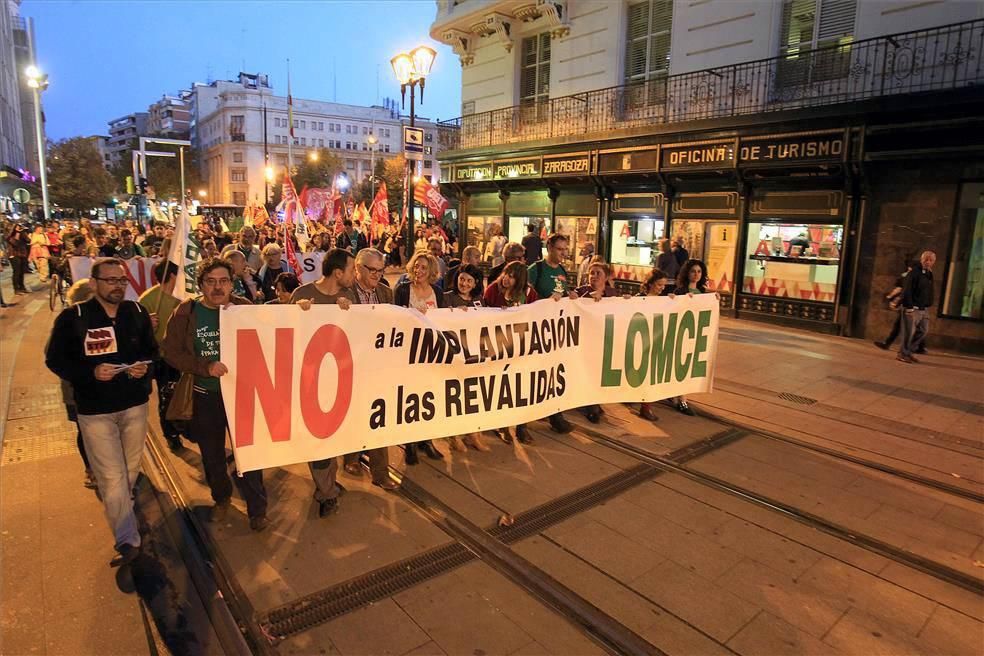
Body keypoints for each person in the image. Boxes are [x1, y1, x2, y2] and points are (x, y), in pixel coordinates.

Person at [45, 258, 158, 565]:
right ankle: (127, 538)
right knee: (111, 475)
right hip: (95, 411)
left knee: (130, 470)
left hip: (134, 405)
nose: (117, 286)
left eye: (121, 281)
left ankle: (124, 507)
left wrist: (143, 369)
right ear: (94, 284)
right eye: (110, 280)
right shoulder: (73, 318)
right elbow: (55, 360)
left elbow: (151, 351)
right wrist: (90, 373)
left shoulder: (136, 313)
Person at [163, 258, 269, 531]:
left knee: (250, 453)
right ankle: (221, 496)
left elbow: (272, 334)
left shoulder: (243, 308)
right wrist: (205, 367)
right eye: (211, 281)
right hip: (205, 396)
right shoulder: (186, 312)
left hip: (241, 395)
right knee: (212, 455)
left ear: (231, 283)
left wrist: (302, 310)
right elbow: (171, 352)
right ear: (200, 285)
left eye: (223, 281)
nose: (218, 287)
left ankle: (258, 509)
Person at [291, 249, 357, 514]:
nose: (355, 275)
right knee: (318, 442)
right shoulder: (302, 295)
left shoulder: (349, 298)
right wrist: (298, 314)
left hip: (340, 381)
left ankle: (328, 483)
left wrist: (350, 315)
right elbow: (285, 336)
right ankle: (326, 492)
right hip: (310, 383)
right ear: (338, 273)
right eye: (352, 270)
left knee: (334, 440)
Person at [333, 248, 403, 489]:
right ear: (357, 269)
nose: (376, 274)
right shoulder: (343, 293)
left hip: (378, 365)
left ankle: (380, 473)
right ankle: (351, 457)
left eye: (380, 270)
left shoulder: (385, 292)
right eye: (371, 269)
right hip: (350, 365)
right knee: (353, 415)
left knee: (378, 417)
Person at [393, 251, 447, 464]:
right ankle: (410, 444)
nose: (418, 271)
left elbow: (444, 318)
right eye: (416, 266)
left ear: (432, 271)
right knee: (410, 399)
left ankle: (426, 440)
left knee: (429, 398)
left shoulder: (438, 292)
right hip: (408, 352)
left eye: (424, 267)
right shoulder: (403, 290)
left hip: (431, 352)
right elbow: (395, 318)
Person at [482, 261, 538, 444]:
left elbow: (539, 312)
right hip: (498, 347)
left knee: (521, 387)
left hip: (520, 348)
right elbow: (479, 315)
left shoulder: (528, 293)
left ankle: (522, 427)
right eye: (506, 273)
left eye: (512, 276)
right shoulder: (492, 290)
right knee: (501, 387)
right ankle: (503, 425)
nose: (506, 278)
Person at [526, 233, 576, 433]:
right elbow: (525, 295)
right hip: (537, 330)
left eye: (565, 249)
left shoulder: (562, 270)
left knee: (553, 373)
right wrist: (545, 300)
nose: (563, 253)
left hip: (555, 332)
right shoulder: (536, 269)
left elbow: (563, 293)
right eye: (559, 249)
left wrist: (569, 296)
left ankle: (555, 414)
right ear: (549, 247)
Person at [138, 259, 184, 451]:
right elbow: (137, 334)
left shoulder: (181, 297)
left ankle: (182, 428)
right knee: (168, 397)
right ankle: (171, 434)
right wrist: (147, 325)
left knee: (182, 395)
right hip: (163, 359)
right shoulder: (148, 300)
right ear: (173, 275)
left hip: (182, 356)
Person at [61, 279, 97, 488]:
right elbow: (55, 357)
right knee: (86, 433)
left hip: (106, 391)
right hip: (78, 394)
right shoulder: (67, 324)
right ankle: (91, 469)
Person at [672, 259, 709, 415]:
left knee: (688, 367)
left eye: (699, 271)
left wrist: (715, 300)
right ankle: (682, 400)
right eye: (693, 271)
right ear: (687, 273)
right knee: (681, 366)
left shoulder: (704, 292)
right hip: (682, 334)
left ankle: (677, 395)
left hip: (696, 335)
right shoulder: (680, 291)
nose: (696, 275)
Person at [637, 268, 672, 422]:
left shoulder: (663, 301)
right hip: (639, 343)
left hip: (654, 343)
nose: (662, 288)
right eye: (659, 285)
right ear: (650, 283)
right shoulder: (640, 298)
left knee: (649, 376)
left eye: (664, 286)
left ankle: (646, 407)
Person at [897, 250, 937, 364]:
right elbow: (907, 290)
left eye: (931, 260)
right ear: (921, 260)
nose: (928, 262)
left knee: (923, 331)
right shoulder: (914, 272)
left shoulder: (929, 273)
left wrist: (928, 304)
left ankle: (908, 352)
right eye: (926, 259)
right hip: (912, 307)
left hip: (923, 308)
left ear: (934, 262)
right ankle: (903, 354)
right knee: (909, 332)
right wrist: (909, 307)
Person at [875, 264, 912, 351]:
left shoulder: (907, 276)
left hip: (907, 305)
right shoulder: (914, 276)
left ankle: (888, 343)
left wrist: (891, 297)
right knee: (910, 326)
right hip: (911, 305)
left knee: (900, 325)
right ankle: (920, 347)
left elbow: (900, 289)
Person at [6, 223, 29, 294]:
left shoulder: (22, 234)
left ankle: (22, 287)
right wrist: (18, 233)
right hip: (13, 255)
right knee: (16, 272)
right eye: (18, 227)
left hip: (22, 255)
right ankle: (16, 289)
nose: (19, 228)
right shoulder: (9, 236)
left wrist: (23, 232)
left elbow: (28, 240)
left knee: (22, 272)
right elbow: (15, 243)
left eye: (20, 227)